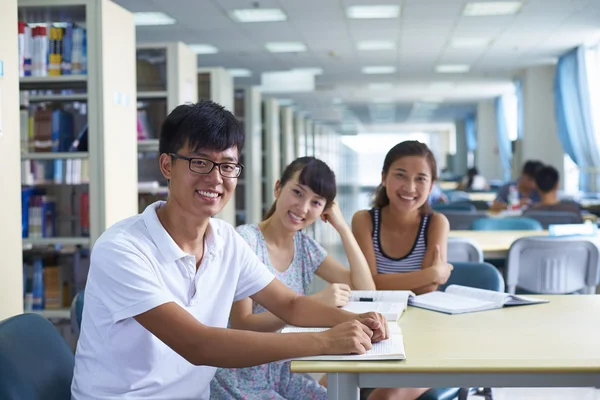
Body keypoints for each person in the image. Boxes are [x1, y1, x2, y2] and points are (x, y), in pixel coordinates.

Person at [70, 101, 388, 399]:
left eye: (227, 166)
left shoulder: (225, 239)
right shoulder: (122, 249)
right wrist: (324, 341)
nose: (215, 178)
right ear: (167, 165)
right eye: (200, 162)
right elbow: (198, 345)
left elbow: (289, 305)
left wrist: (357, 319)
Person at [211, 156, 376, 399]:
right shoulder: (246, 241)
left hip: (282, 372)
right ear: (278, 188)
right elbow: (242, 323)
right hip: (240, 376)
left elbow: (366, 288)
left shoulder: (304, 247)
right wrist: (315, 303)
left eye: (316, 202)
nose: (303, 207)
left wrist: (342, 227)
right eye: (297, 192)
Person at [352, 140, 453, 400]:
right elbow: (367, 286)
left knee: (384, 398)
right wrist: (431, 273)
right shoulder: (364, 220)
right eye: (400, 176)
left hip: (426, 335)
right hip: (373, 327)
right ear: (384, 177)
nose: (409, 188)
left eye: (421, 179)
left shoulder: (436, 223)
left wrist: (381, 283)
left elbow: (428, 290)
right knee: (324, 389)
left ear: (431, 186)